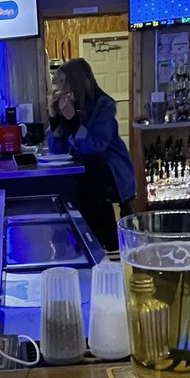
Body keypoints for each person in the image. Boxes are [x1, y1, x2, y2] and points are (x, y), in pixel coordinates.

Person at [47, 58, 136, 249]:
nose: (62, 90)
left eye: (65, 84)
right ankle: (83, 239)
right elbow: (57, 151)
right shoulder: (70, 106)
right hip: (84, 169)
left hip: (112, 169)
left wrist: (73, 121)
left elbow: (95, 147)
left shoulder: (104, 106)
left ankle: (106, 242)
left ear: (76, 83)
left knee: (91, 170)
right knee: (71, 180)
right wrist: (54, 119)